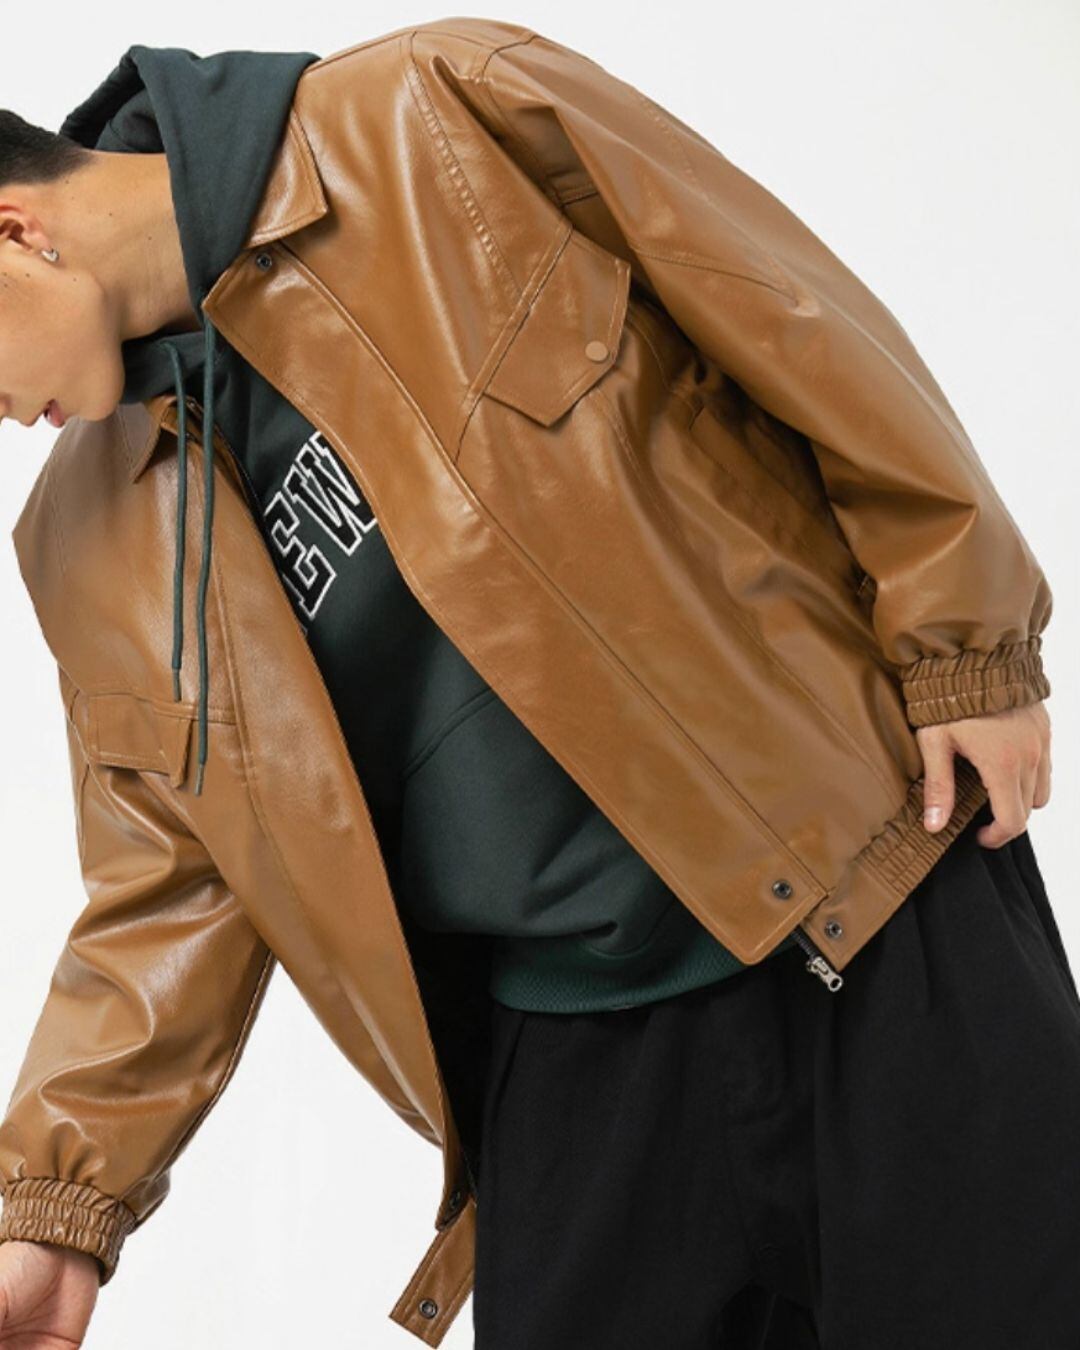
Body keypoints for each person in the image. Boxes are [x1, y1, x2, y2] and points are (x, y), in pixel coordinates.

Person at [0, 17, 1074, 1349]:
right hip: (573, 1066)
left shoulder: (433, 113)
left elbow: (788, 315)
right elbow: (169, 883)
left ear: (15, 232)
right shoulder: (85, 538)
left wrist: (966, 640)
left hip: (869, 888)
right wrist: (56, 1211)